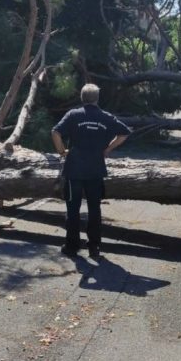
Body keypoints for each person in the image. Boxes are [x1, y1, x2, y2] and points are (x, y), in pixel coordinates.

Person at [51, 84, 130, 258]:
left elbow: (55, 132)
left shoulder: (73, 115)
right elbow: (124, 133)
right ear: (97, 98)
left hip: (74, 170)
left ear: (82, 97)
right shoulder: (106, 117)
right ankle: (94, 246)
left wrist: (62, 151)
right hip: (95, 170)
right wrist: (107, 149)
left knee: (73, 209)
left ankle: (72, 246)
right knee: (95, 208)